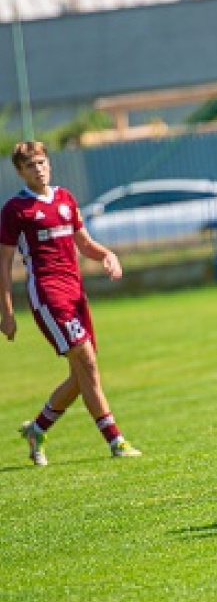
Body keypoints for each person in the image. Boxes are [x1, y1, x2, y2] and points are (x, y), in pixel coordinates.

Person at [0, 141, 141, 465]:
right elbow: (3, 263)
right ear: (20, 172)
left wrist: (108, 255)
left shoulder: (65, 199)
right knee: (88, 364)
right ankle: (115, 441)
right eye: (31, 165)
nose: (40, 169)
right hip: (49, 296)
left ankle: (37, 428)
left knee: (82, 376)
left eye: (42, 162)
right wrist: (7, 312)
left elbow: (85, 244)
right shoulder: (15, 210)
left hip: (76, 294)